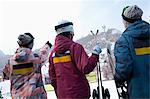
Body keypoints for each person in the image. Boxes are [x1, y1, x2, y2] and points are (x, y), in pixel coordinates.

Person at [49, 20, 102, 99]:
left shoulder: (53, 54)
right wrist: (95, 54)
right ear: (70, 34)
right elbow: (86, 67)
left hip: (62, 95)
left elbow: (53, 79)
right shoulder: (75, 48)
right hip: (79, 94)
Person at [114, 5, 150, 99]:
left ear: (126, 21)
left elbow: (124, 70)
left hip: (139, 92)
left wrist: (118, 79)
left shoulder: (123, 41)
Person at [7, 33, 52, 99]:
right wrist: (47, 46)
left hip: (17, 96)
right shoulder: (35, 59)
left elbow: (6, 75)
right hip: (34, 96)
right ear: (31, 44)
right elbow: (43, 55)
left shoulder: (11, 61)